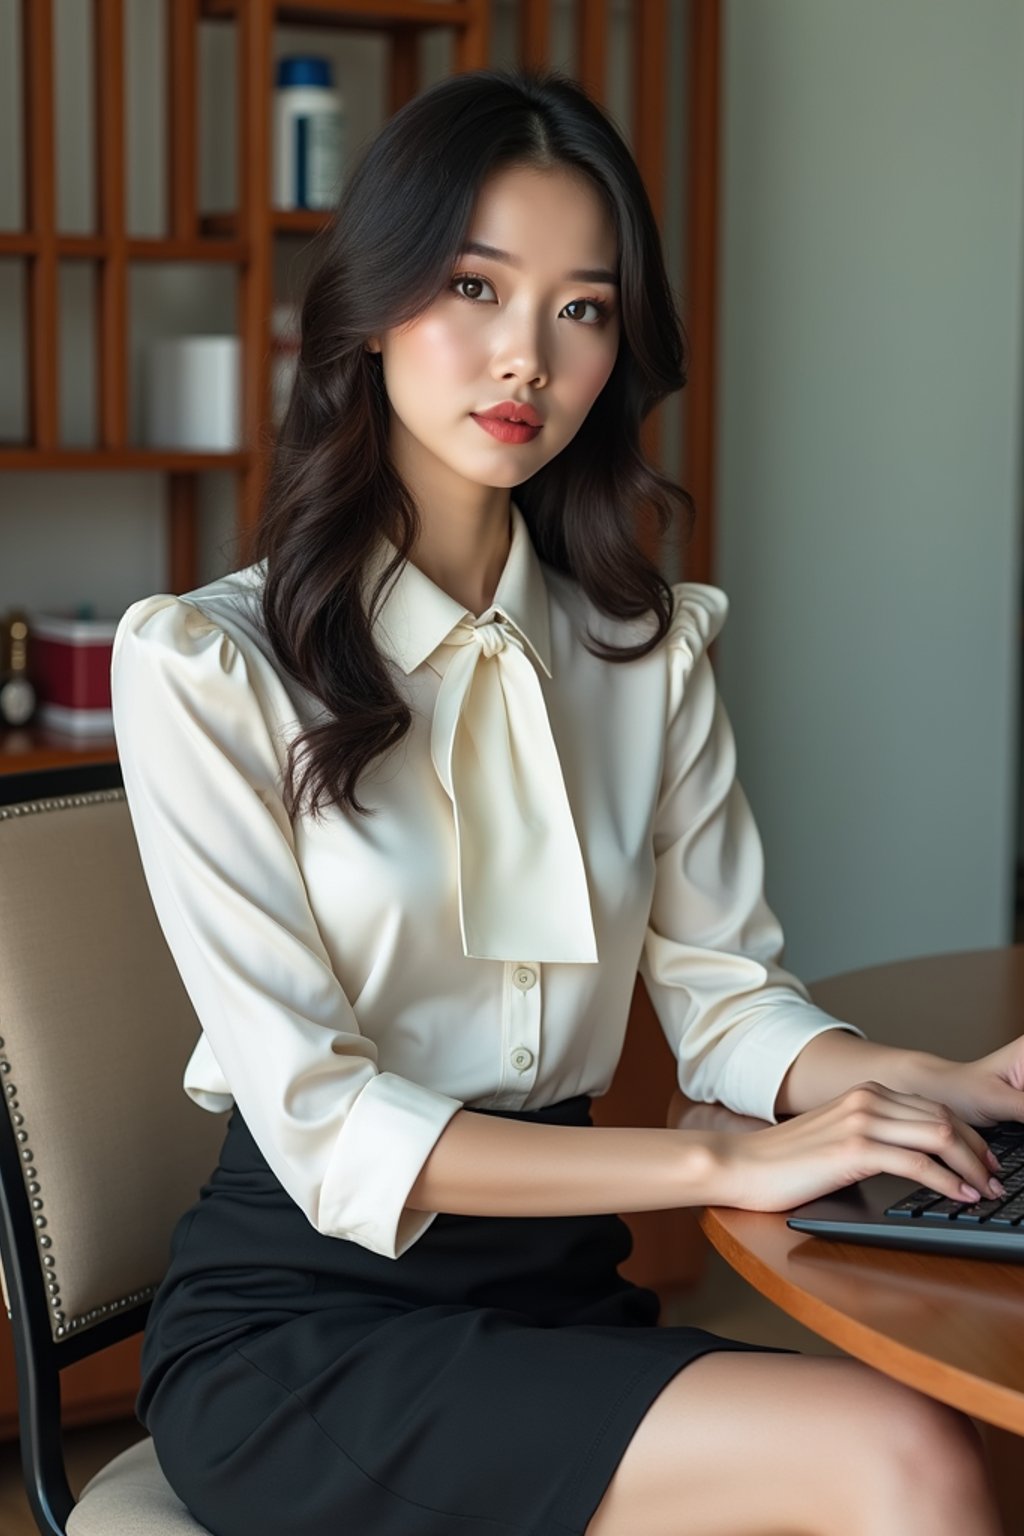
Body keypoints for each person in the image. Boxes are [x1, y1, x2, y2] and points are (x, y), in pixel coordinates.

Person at [109, 64, 1015, 1536]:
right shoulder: (210, 668)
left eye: (581, 308)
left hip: (560, 1297)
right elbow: (330, 1125)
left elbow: (727, 1000)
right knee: (897, 1460)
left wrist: (919, 1081)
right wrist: (726, 1158)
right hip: (305, 1331)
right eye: (475, 285)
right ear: (373, 303)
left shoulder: (643, 651)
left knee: (922, 1442)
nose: (524, 357)